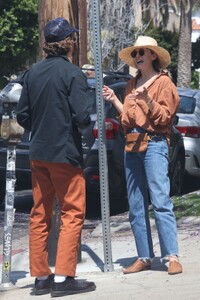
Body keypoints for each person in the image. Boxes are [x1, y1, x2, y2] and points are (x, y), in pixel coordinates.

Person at [16, 17, 96, 297]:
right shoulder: (73, 74)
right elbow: (84, 117)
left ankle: (41, 278)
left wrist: (42, 127)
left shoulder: (32, 73)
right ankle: (63, 278)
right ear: (69, 43)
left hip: (38, 153)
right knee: (72, 212)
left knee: (39, 214)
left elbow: (22, 114)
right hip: (64, 153)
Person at [102, 36, 183, 275]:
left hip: (155, 143)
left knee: (160, 201)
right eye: (136, 52)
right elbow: (127, 119)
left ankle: (172, 256)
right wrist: (115, 99)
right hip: (132, 144)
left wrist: (147, 99)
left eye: (143, 52)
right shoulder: (131, 84)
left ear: (153, 56)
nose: (138, 56)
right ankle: (144, 257)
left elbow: (165, 118)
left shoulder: (164, 83)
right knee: (136, 204)